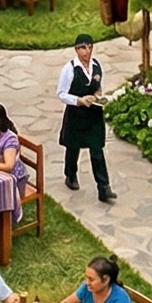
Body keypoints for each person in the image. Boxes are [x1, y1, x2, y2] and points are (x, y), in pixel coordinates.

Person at [55, 35, 114, 202]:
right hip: (76, 114)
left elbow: (98, 87)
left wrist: (97, 95)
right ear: (76, 49)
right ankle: (70, 174)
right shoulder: (70, 69)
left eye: (89, 47)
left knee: (97, 150)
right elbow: (61, 93)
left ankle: (104, 188)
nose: (87, 51)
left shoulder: (97, 65)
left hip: (94, 115)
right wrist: (78, 100)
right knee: (73, 147)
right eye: (83, 48)